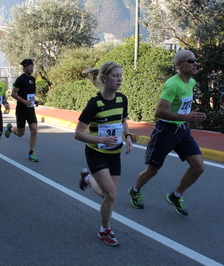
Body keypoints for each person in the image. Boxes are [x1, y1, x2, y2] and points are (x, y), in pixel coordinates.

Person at [127, 50, 207, 217]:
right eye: (190, 61)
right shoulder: (172, 84)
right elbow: (159, 112)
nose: (195, 63)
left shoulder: (191, 82)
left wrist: (189, 118)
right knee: (153, 170)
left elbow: (181, 106)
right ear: (179, 65)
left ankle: (175, 195)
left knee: (199, 167)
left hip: (182, 130)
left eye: (196, 60)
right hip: (165, 131)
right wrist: (186, 116)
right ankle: (135, 190)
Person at [75, 61, 133, 247]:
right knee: (112, 195)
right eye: (116, 75)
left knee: (109, 195)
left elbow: (123, 120)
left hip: (114, 153)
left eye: (121, 75)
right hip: (96, 153)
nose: (119, 79)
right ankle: (105, 230)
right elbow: (78, 133)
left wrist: (129, 136)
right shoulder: (94, 104)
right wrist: (102, 140)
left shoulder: (122, 99)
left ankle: (88, 178)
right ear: (104, 78)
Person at [4, 59, 39, 162]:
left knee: (34, 130)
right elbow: (13, 94)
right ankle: (10, 129)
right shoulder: (20, 79)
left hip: (30, 109)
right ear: (24, 68)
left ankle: (31, 152)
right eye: (29, 66)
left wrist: (35, 101)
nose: (31, 68)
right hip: (21, 109)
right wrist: (24, 102)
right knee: (20, 133)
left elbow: (30, 94)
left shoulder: (33, 79)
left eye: (32, 66)